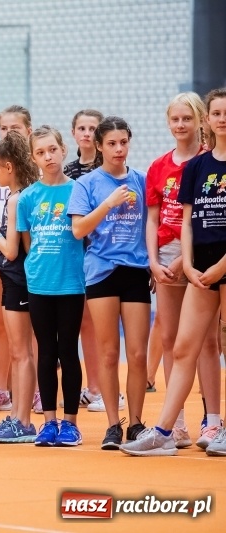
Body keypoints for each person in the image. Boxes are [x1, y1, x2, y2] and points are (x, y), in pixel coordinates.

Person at [122, 88, 226, 457]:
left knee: (214, 342)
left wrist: (206, 264)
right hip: (189, 261)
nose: (222, 119)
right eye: (217, 113)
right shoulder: (187, 167)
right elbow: (181, 220)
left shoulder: (202, 160)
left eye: (187, 118)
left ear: (199, 122)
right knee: (178, 344)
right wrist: (180, 262)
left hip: (214, 260)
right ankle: (169, 428)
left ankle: (214, 420)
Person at [68, 116, 150, 450]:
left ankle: (136, 422)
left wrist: (154, 264)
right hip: (101, 271)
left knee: (138, 353)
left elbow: (151, 226)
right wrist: (108, 203)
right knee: (108, 352)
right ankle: (113, 424)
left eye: (123, 142)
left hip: (136, 270)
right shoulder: (87, 184)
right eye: (112, 143)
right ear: (99, 146)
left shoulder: (141, 180)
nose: (119, 149)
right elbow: (78, 229)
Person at [19, 126, 85, 446]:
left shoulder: (78, 190)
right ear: (33, 158)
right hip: (39, 283)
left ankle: (70, 423)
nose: (48, 157)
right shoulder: (28, 197)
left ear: (63, 150)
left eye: (52, 150)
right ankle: (48, 422)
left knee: (68, 350)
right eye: (41, 152)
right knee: (45, 352)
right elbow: (27, 243)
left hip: (71, 283)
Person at [0, 132, 39, 443]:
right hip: (16, 279)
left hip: (19, 281)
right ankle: (17, 416)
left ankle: (23, 421)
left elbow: (12, 251)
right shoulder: (23, 195)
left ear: (9, 167)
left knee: (21, 352)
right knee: (19, 351)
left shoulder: (16, 199)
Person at [63, 109, 106, 411]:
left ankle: (103, 388)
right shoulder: (67, 172)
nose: (87, 133)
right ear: (73, 132)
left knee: (99, 323)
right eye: (82, 128)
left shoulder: (109, 167)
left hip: (102, 252)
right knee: (80, 324)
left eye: (93, 128)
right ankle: (91, 387)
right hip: (73, 253)